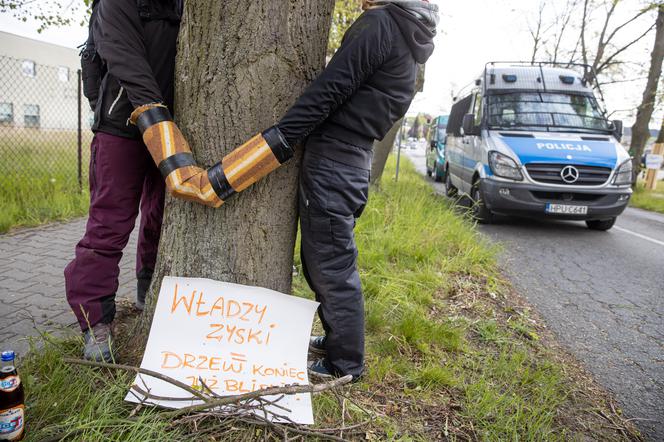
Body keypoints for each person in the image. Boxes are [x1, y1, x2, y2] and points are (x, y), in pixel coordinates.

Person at [274, 0, 439, 380]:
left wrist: (281, 138)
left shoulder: (382, 24)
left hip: (336, 159)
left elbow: (331, 89)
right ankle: (337, 341)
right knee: (326, 260)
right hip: (351, 159)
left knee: (331, 264)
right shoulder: (407, 36)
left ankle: (344, 364)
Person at [64, 0, 183, 362]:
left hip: (174, 128)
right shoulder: (114, 4)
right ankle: (95, 323)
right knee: (108, 226)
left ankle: (147, 291)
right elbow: (126, 60)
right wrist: (157, 121)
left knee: (160, 218)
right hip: (122, 127)